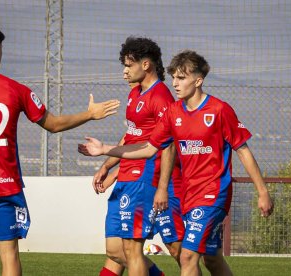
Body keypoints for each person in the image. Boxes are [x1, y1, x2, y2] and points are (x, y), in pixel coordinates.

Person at [0, 24, 120, 276]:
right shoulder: (16, 90)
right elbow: (53, 125)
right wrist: (89, 114)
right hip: (8, 186)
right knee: (9, 255)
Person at [78, 50, 274, 276]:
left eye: (181, 78)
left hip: (213, 193)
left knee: (187, 256)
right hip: (188, 195)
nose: (175, 84)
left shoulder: (219, 110)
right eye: (173, 78)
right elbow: (150, 147)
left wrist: (262, 191)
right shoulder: (173, 112)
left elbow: (243, 151)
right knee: (211, 259)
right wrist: (105, 150)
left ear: (198, 81)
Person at [95, 36, 185, 276]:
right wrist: (109, 167)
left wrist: (162, 187)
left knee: (135, 249)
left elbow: (167, 144)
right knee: (115, 250)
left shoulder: (161, 97)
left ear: (145, 65)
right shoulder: (135, 94)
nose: (125, 71)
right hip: (127, 174)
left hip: (145, 177)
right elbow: (131, 135)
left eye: (129, 65)